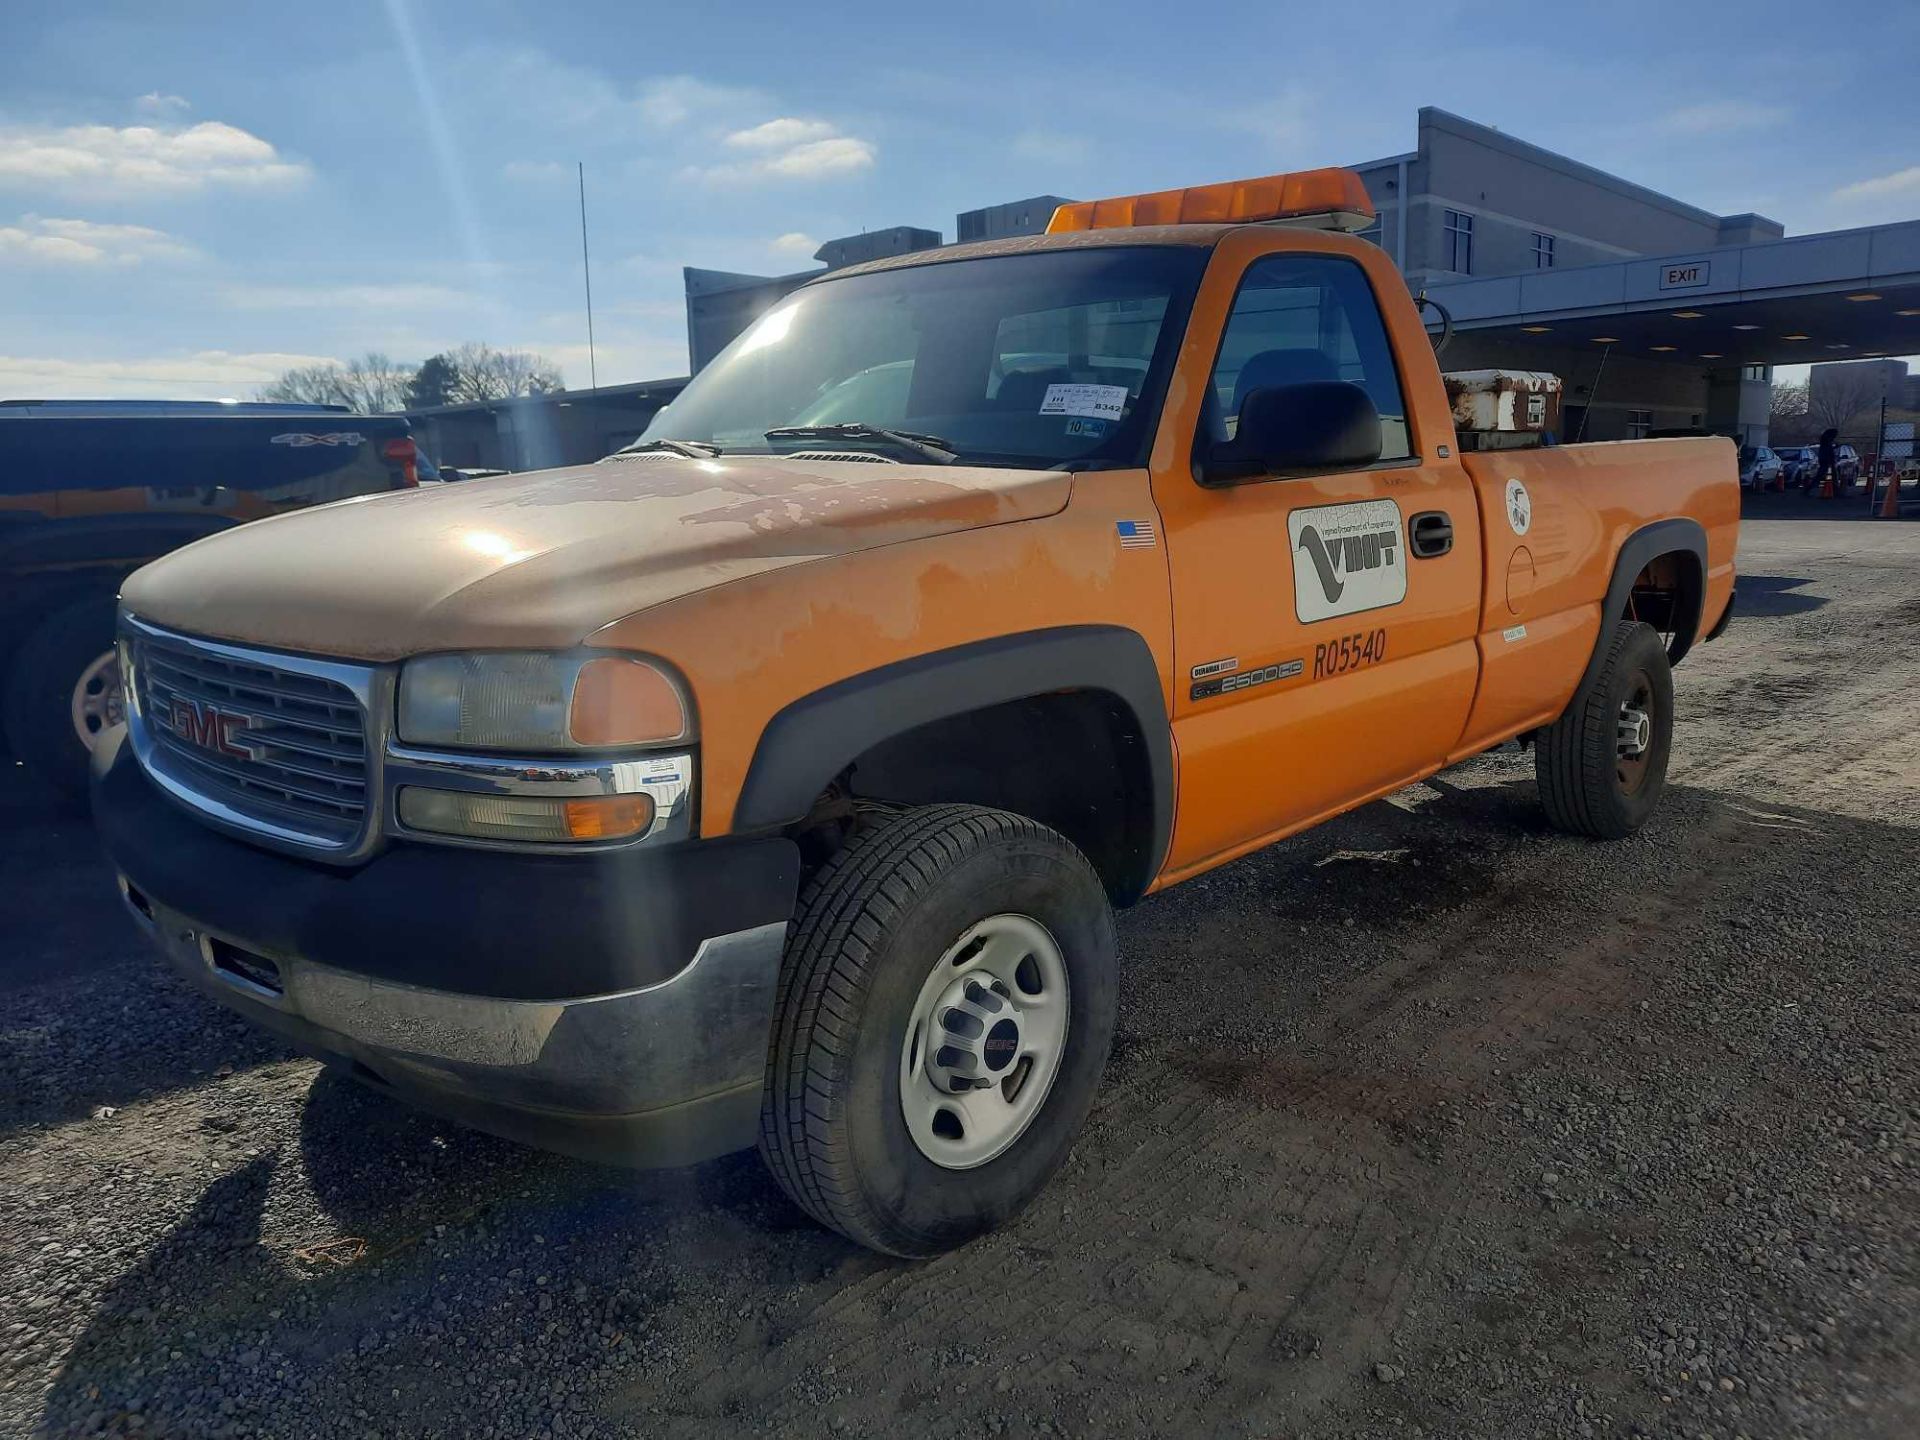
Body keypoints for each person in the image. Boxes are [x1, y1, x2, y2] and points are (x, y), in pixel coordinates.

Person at [1811, 428, 1839, 496]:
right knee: (1821, 476)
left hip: (1826, 460)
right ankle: (1836, 491)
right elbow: (1828, 452)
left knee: (1830, 476)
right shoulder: (1827, 442)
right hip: (1827, 461)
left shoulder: (1825, 442)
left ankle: (1836, 491)